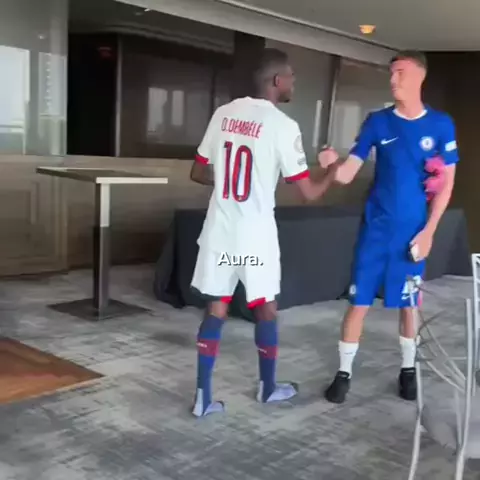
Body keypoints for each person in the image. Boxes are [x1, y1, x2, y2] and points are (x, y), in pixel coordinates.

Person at [189, 48, 338, 417]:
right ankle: (268, 388)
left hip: (219, 231)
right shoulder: (283, 126)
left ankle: (203, 398)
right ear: (276, 80)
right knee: (265, 309)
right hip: (255, 237)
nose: (293, 82)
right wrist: (333, 170)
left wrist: (228, 183)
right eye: (291, 76)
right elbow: (308, 194)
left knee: (216, 308)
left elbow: (197, 172)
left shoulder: (223, 114)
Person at [319, 50, 459, 404]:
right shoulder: (377, 122)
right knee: (359, 301)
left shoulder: (440, 125)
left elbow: (446, 185)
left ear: (419, 77)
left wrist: (429, 232)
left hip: (412, 233)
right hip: (375, 230)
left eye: (401, 73)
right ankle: (343, 373)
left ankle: (408, 370)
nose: (393, 80)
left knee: (409, 304)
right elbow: (346, 175)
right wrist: (332, 164)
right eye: (391, 73)